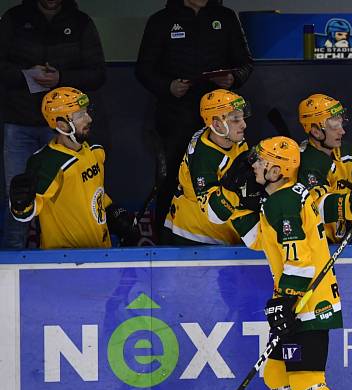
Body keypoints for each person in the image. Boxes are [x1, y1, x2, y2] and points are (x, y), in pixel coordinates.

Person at [206, 136, 352, 390]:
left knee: (307, 379)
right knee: (277, 372)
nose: (254, 166)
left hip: (309, 305)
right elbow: (257, 240)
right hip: (297, 301)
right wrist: (235, 203)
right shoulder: (279, 199)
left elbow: (300, 258)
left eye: (260, 162)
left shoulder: (284, 202)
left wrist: (286, 301)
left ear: (277, 169)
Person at [135, 0, 253, 244]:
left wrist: (233, 78)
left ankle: (229, 237)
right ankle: (166, 241)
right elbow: (143, 69)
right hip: (177, 115)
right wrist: (167, 86)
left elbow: (246, 63)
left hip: (223, 116)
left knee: (235, 178)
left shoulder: (225, 16)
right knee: (171, 180)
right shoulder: (161, 20)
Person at [0, 0, 106, 248]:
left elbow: (98, 72)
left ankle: (71, 257)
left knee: (74, 197)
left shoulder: (81, 22)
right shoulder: (14, 18)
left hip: (66, 127)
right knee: (19, 195)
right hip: (21, 121)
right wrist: (26, 74)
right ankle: (10, 269)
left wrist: (62, 78)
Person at [8, 87, 137, 249]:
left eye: (86, 111)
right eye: (80, 115)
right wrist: (20, 204)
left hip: (102, 253)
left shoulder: (95, 150)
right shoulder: (47, 163)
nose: (88, 118)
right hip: (64, 262)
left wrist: (113, 211)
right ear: (62, 125)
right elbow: (26, 213)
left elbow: (94, 193)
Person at [163, 89, 249, 245]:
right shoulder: (203, 158)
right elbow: (213, 213)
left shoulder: (230, 137)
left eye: (242, 117)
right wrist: (233, 183)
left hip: (221, 229)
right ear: (216, 124)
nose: (244, 124)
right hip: (195, 235)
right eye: (235, 119)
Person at [296, 93, 352, 243]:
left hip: (342, 240)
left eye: (341, 123)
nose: (342, 131)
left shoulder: (347, 153)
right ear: (316, 131)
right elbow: (313, 207)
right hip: (314, 245)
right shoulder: (306, 163)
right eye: (334, 126)